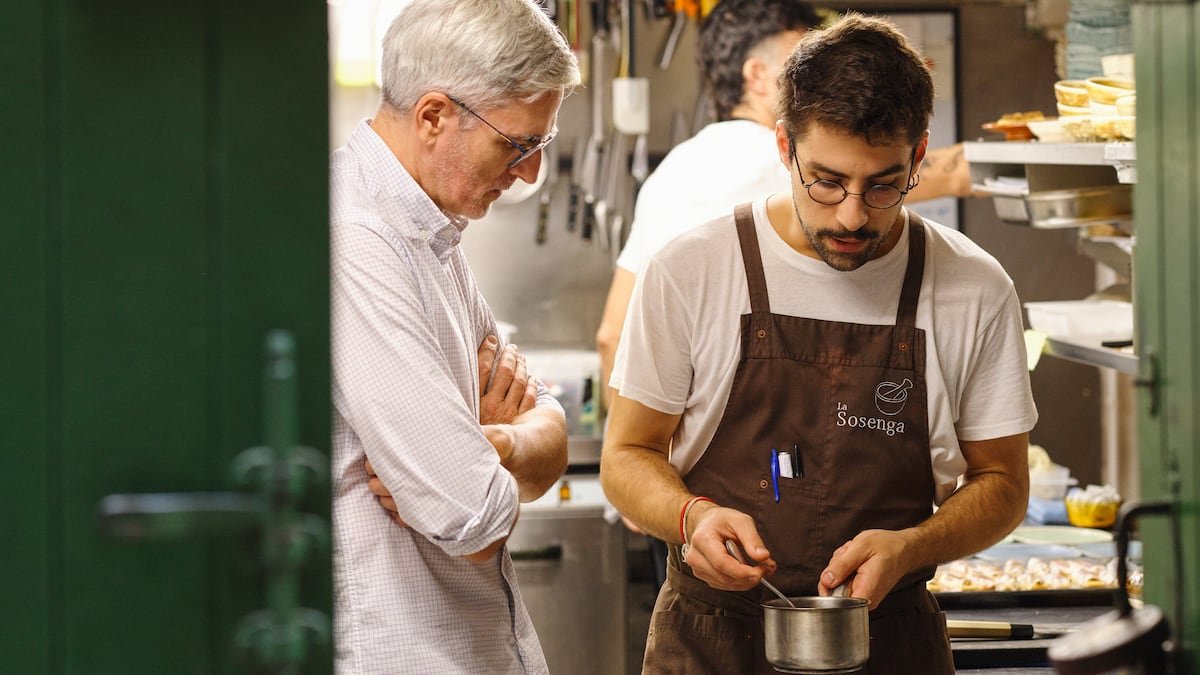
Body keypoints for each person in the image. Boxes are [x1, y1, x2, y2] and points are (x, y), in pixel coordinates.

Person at [600, 13, 1036, 674]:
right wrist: (691, 515)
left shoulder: (975, 288)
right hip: (713, 642)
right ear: (784, 146)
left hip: (891, 643)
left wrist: (913, 547)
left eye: (884, 184)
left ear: (920, 156)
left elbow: (1003, 483)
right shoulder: (691, 270)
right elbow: (627, 455)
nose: (853, 215)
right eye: (826, 181)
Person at [329, 1, 579, 672]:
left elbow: (543, 428)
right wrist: (501, 461)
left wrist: (496, 441)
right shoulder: (355, 240)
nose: (527, 172)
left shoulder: (433, 231)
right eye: (516, 144)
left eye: (539, 147)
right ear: (434, 115)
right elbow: (473, 516)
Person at [595, 0, 973, 403]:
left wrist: (643, 449)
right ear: (758, 76)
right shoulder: (772, 163)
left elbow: (612, 335)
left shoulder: (678, 164)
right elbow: (915, 172)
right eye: (804, 60)